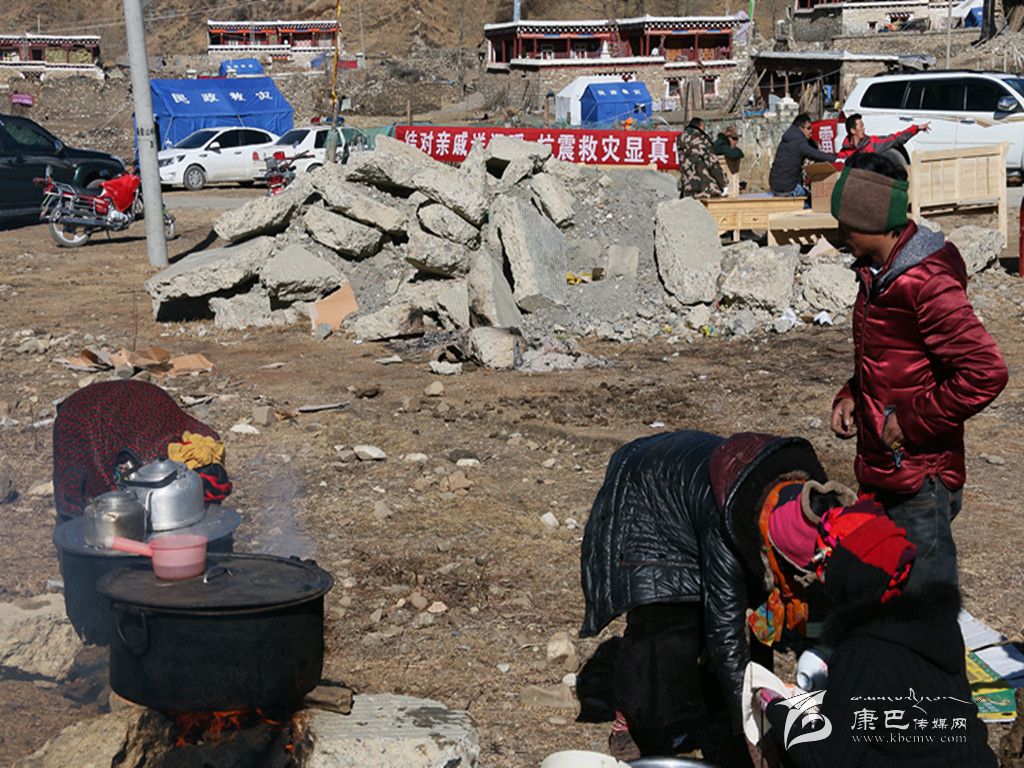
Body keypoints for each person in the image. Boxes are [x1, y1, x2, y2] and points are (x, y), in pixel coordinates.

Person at [581, 430, 854, 765]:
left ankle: (724, 708)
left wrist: (763, 703)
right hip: (647, 499)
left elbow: (769, 617)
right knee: (665, 623)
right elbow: (726, 634)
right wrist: (753, 731)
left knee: (757, 610)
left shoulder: (808, 507)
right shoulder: (730, 528)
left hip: (697, 497)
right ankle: (630, 720)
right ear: (773, 552)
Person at [829, 153, 1008, 594]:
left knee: (925, 611)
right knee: (882, 596)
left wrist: (909, 421)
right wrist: (852, 393)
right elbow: (890, 358)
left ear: (872, 222)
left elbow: (986, 371)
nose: (839, 235)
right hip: (884, 470)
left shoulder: (926, 282)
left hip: (920, 482)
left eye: (845, 225)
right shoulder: (876, 274)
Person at [757, 496, 997, 767]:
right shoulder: (942, 627)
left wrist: (778, 709)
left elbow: (825, 759)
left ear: (845, 583)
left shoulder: (862, 654)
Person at [53, 380, 232, 523]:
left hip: (124, 408)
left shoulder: (205, 440)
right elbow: (122, 486)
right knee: (91, 497)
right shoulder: (153, 458)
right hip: (82, 418)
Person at [769, 113, 836, 197]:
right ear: (801, 128)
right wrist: (835, 159)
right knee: (811, 198)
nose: (811, 131)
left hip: (774, 186)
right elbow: (814, 154)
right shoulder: (799, 142)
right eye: (808, 128)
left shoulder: (788, 138)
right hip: (788, 188)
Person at [837, 112, 930, 162]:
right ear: (853, 130)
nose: (864, 129)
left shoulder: (873, 143)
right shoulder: (844, 152)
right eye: (861, 126)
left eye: (863, 126)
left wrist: (916, 128)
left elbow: (895, 138)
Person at [676, 116, 728, 198]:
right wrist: (723, 184)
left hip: (687, 187)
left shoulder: (680, 139)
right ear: (701, 126)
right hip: (705, 187)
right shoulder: (701, 138)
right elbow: (712, 163)